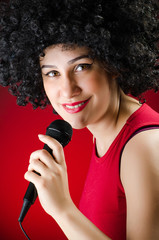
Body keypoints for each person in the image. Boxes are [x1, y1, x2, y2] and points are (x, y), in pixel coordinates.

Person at [0, 0, 159, 239]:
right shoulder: (106, 133)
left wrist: (62, 209)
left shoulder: (142, 146)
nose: (67, 89)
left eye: (81, 67)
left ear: (113, 63)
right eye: (52, 73)